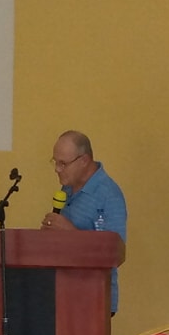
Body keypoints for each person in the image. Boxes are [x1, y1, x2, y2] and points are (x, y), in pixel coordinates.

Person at [41, 129, 128, 314]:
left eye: (63, 163)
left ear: (84, 161)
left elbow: (114, 253)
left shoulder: (109, 195)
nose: (57, 169)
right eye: (55, 162)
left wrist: (70, 233)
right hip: (63, 291)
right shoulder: (67, 189)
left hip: (93, 298)